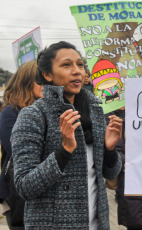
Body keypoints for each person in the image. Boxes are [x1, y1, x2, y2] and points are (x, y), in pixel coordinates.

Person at [10, 41, 122, 229]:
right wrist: (64, 151)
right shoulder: (33, 116)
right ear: (47, 74)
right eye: (66, 65)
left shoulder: (94, 111)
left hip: (97, 223)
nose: (77, 71)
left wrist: (109, 150)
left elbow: (110, 174)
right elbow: (24, 187)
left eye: (80, 64)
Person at [0, 60, 43, 229]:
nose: (46, 85)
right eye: (40, 80)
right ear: (26, 81)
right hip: (18, 194)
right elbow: (20, 153)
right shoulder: (10, 112)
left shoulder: (46, 108)